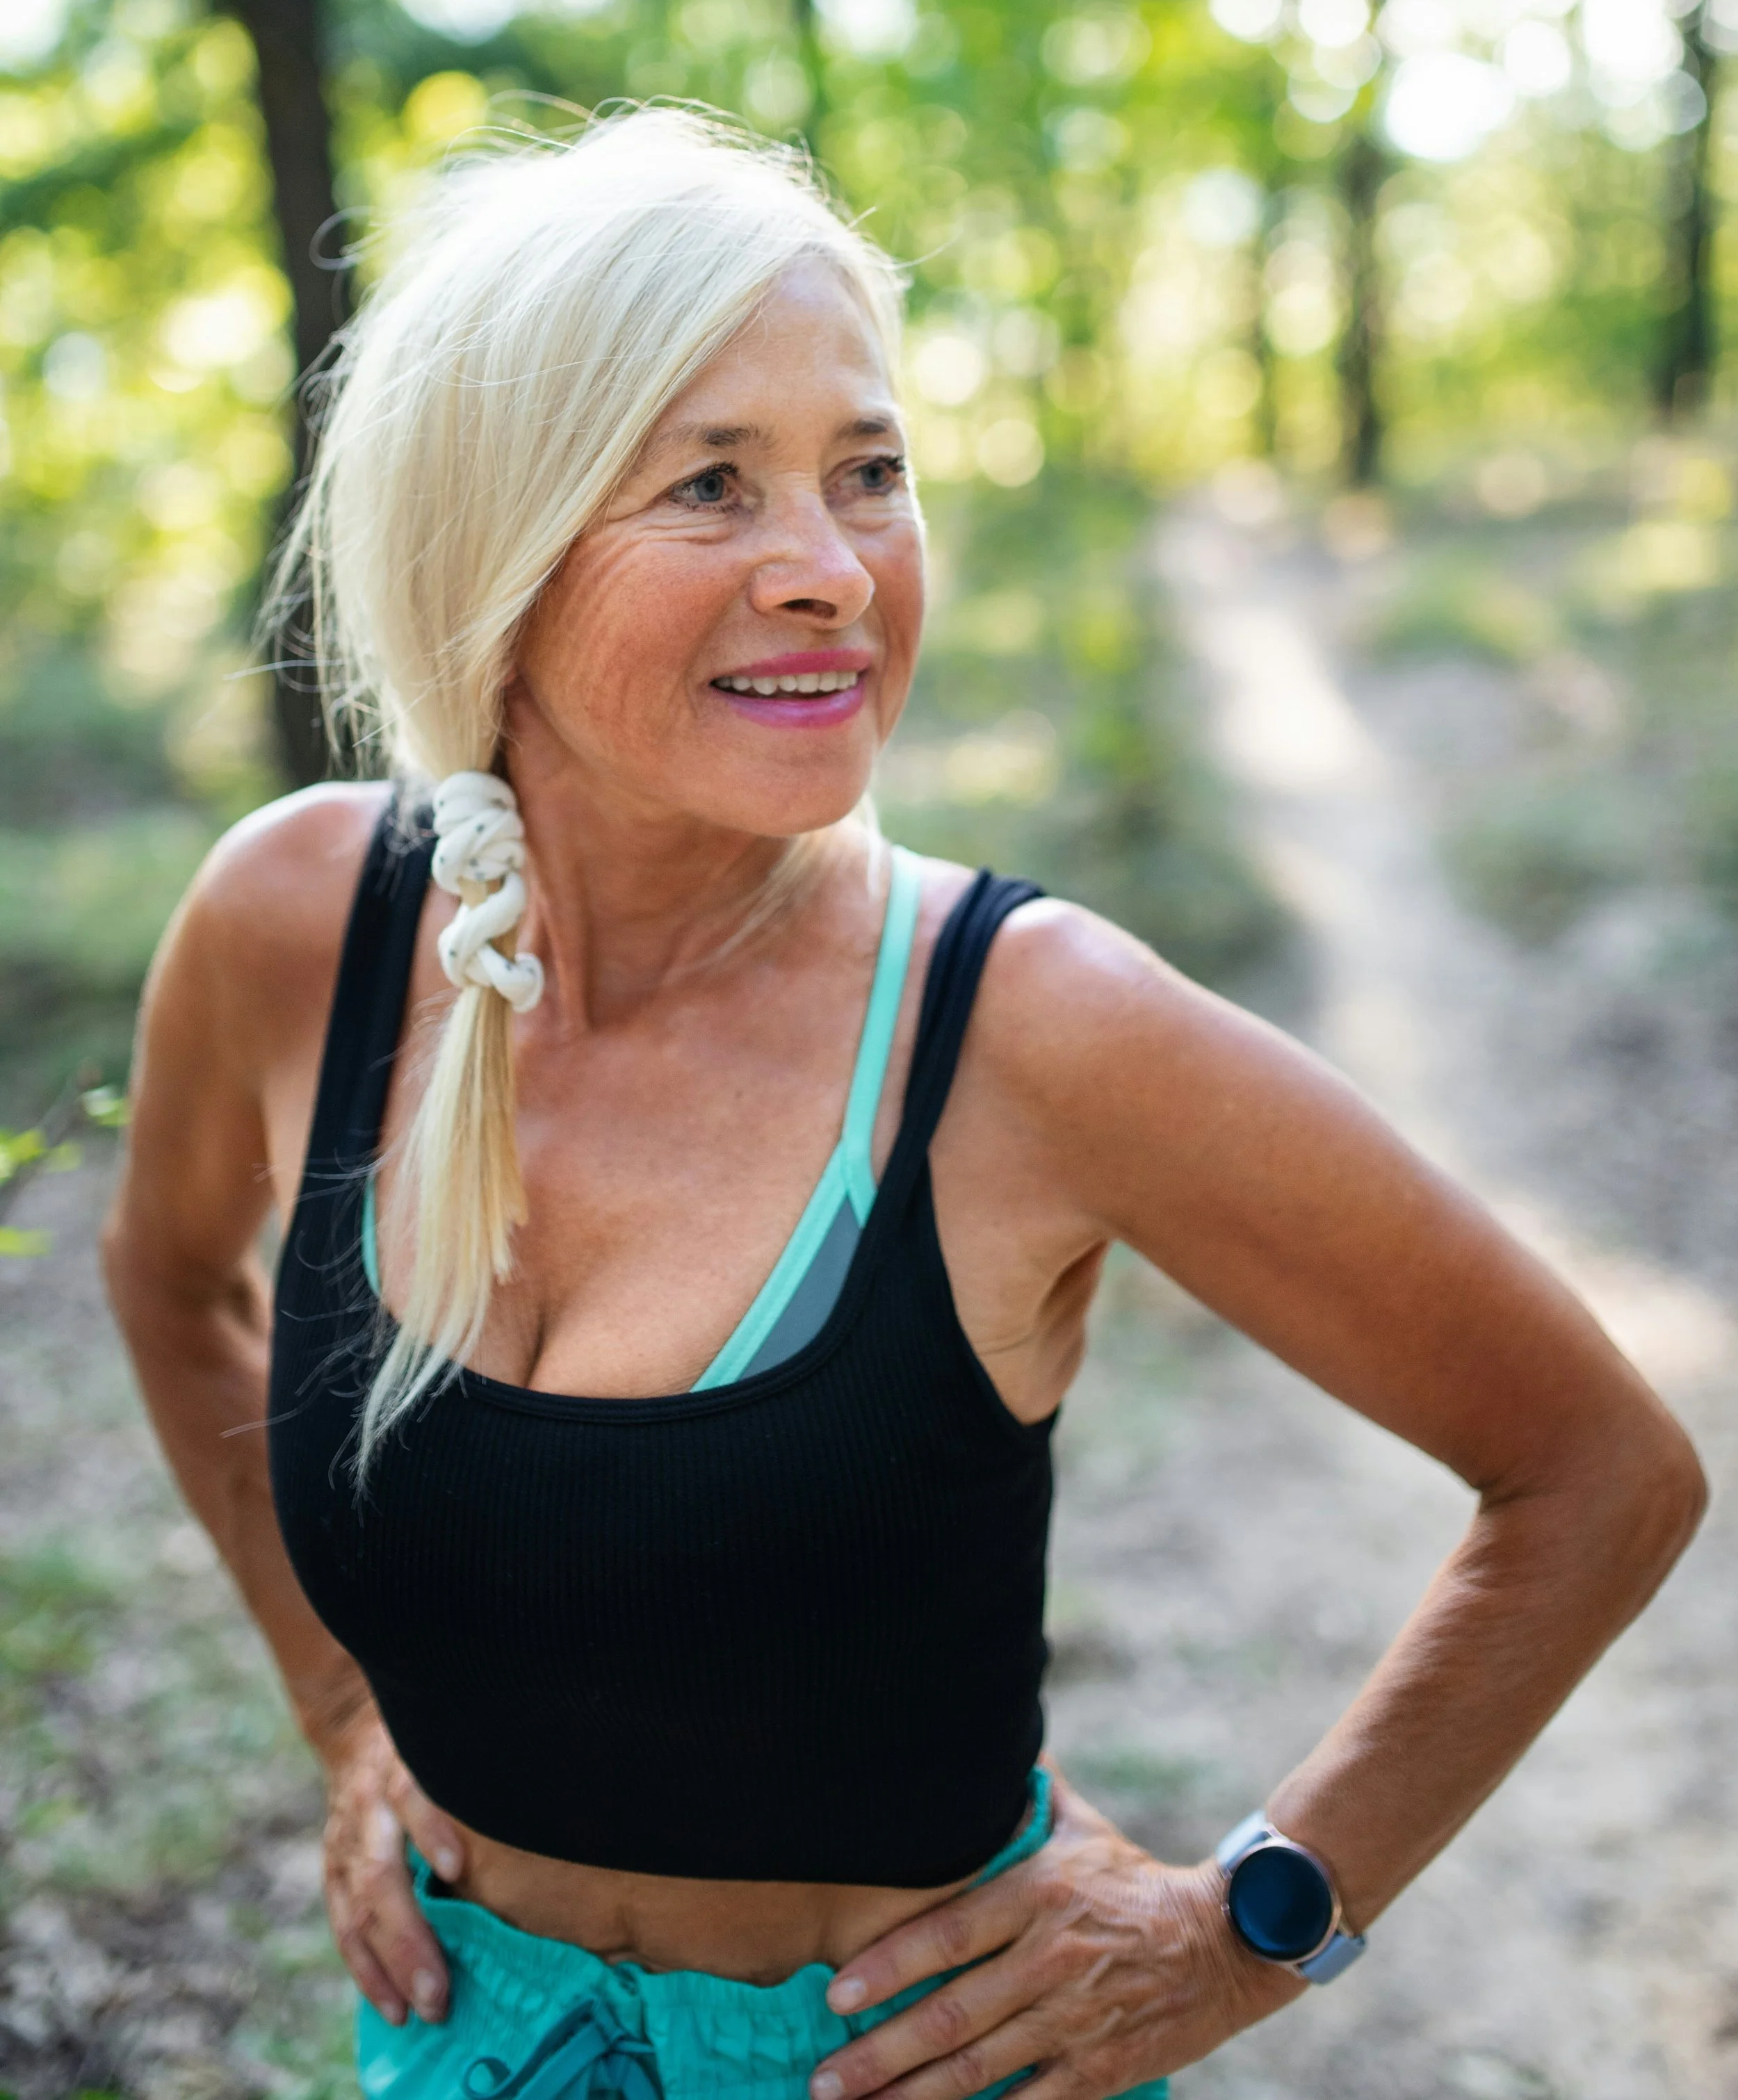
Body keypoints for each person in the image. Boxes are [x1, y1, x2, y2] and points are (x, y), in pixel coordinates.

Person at [105, 108, 1703, 2100]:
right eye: (712, 484)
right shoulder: (298, 922)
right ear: (490, 540)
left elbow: (1596, 1467)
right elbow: (171, 1281)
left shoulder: (1031, 1028)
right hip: (457, 2031)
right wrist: (340, 1707)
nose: (832, 572)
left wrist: (1246, 1929)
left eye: (870, 473)